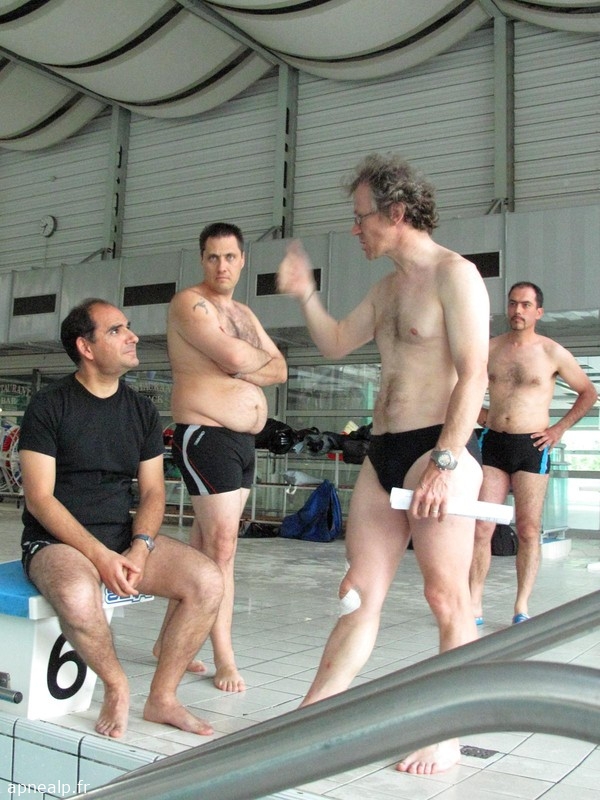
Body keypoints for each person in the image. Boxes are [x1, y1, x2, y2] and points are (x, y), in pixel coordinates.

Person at [276, 154, 490, 775]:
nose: (355, 229)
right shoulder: (387, 288)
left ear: (396, 213)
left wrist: (446, 461)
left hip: (438, 448)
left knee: (446, 596)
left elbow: (474, 375)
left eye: (361, 216)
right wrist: (306, 294)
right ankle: (310, 717)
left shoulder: (456, 275)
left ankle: (448, 732)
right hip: (385, 451)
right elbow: (335, 342)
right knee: (358, 594)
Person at [18, 299, 224, 739]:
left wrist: (140, 545)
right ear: (86, 347)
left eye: (127, 327)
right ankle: (116, 685)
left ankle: (163, 697)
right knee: (77, 594)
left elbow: (152, 492)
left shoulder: (141, 410)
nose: (133, 336)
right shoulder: (48, 405)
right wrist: (98, 556)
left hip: (122, 535)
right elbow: (39, 499)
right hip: (55, 541)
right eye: (116, 330)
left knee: (207, 581)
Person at [166, 221, 287, 693]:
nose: (222, 265)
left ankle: (167, 642)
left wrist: (241, 360)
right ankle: (224, 657)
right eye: (213, 257)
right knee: (222, 550)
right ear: (202, 260)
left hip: (241, 443)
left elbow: (281, 368)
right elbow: (235, 358)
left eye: (230, 257)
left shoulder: (243, 312)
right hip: (206, 436)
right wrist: (245, 361)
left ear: (242, 261)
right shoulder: (189, 303)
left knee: (205, 548)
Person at [470, 282, 598, 625]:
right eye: (513, 303)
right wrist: (480, 416)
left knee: (528, 529)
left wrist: (558, 430)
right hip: (493, 443)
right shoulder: (490, 349)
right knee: (482, 526)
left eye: (526, 305)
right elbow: (462, 384)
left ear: (538, 311)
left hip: (532, 447)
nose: (518, 310)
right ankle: (474, 603)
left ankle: (521, 606)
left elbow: (588, 392)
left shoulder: (552, 352)